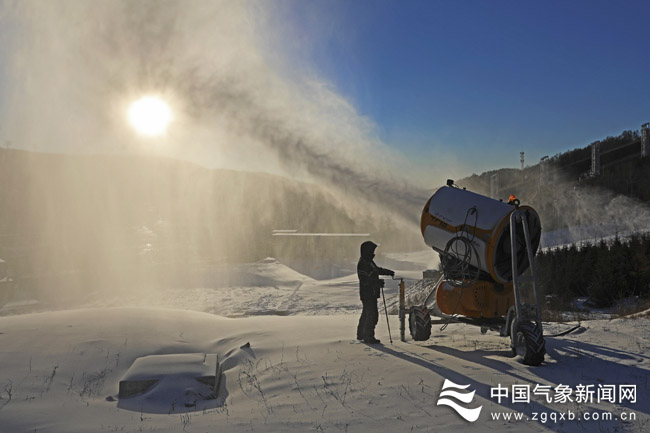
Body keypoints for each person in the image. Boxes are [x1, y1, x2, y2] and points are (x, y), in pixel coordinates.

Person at [356, 241, 394, 344]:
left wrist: (388, 272)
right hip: (368, 293)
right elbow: (364, 280)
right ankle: (368, 337)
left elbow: (377, 270)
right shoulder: (363, 263)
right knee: (372, 315)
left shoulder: (368, 262)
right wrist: (377, 282)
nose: (373, 252)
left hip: (370, 293)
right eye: (372, 250)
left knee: (366, 314)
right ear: (366, 251)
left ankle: (361, 334)